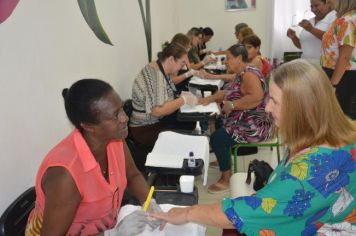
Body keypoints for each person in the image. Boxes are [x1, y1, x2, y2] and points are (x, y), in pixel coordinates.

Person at [151, 59, 356, 235]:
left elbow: (245, 212)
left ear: (302, 108)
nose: (267, 108)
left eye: (274, 102)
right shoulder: (336, 138)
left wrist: (187, 213)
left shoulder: (310, 172)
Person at [25, 79, 162, 235]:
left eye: (122, 109)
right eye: (115, 116)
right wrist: (112, 234)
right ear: (89, 127)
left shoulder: (114, 139)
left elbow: (133, 175)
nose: (125, 118)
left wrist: (149, 201)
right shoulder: (66, 176)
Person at [199, 44, 272, 194]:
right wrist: (211, 98)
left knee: (217, 138)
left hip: (255, 126)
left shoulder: (249, 74)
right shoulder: (242, 72)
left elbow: (256, 98)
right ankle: (224, 159)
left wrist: (232, 105)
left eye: (228, 58)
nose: (226, 62)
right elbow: (228, 92)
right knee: (218, 122)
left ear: (239, 58)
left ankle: (226, 179)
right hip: (246, 120)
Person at [129, 42, 199, 149]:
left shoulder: (161, 70)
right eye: (182, 63)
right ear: (171, 59)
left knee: (189, 123)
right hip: (145, 128)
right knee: (187, 130)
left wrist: (183, 97)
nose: (183, 67)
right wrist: (183, 100)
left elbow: (168, 96)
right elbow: (157, 111)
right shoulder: (156, 75)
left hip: (155, 122)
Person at [321, 0, 356, 119]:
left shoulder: (347, 20)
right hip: (341, 75)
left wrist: (333, 85)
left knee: (342, 119)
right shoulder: (344, 17)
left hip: (343, 77)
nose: (327, 1)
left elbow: (345, 57)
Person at [287, 0, 336, 64]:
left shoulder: (335, 18)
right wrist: (293, 37)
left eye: (316, 5)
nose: (313, 9)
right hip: (306, 65)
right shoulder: (310, 21)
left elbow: (332, 40)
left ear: (327, 4)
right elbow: (303, 46)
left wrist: (311, 29)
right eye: (311, 6)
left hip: (324, 66)